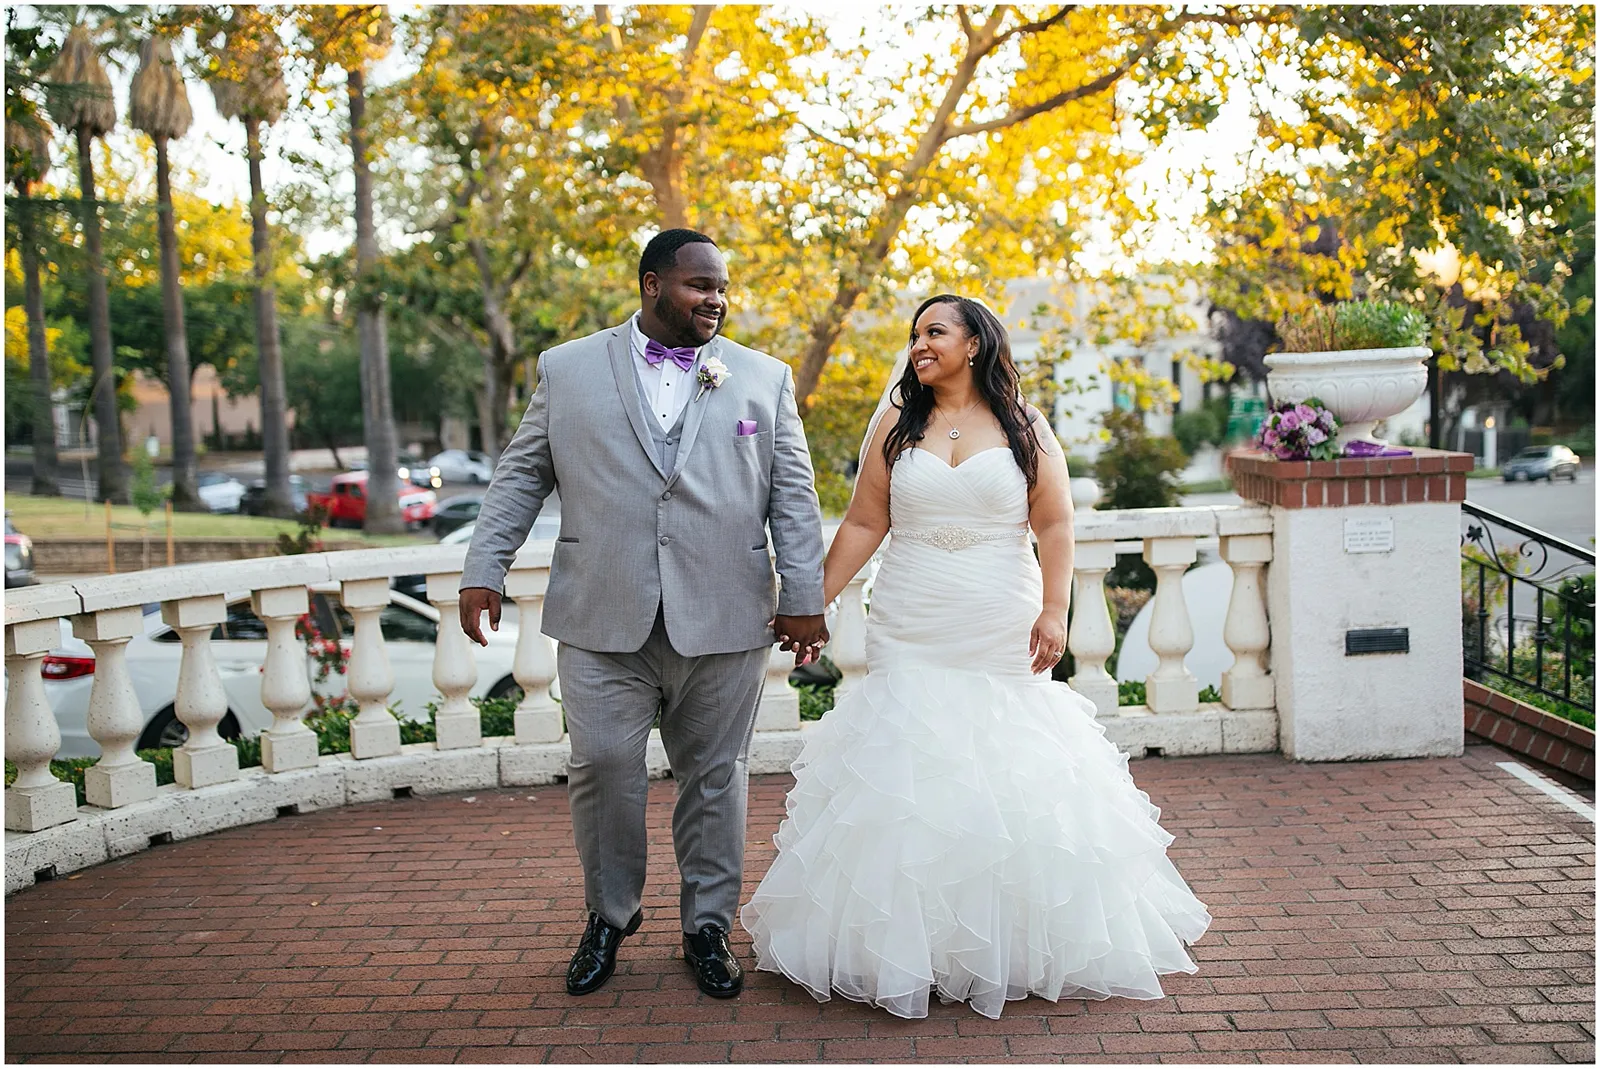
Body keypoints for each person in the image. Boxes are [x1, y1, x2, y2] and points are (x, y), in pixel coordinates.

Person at [739, 294, 1211, 1020]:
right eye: (915, 334)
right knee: (907, 765)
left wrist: (1056, 609)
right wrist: (815, 601)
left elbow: (1054, 521)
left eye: (935, 332)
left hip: (999, 614)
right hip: (912, 612)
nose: (919, 344)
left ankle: (1009, 942)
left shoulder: (1024, 425)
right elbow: (867, 519)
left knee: (1005, 761)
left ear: (974, 344)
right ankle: (909, 945)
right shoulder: (898, 424)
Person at [459, 229, 828, 1001]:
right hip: (602, 614)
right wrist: (483, 567)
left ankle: (706, 925)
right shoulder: (566, 369)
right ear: (652, 284)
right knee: (600, 766)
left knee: (716, 777)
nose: (716, 300)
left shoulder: (763, 378)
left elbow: (793, 495)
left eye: (722, 287)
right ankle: (609, 913)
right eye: (699, 285)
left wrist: (802, 595)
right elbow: (523, 473)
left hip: (726, 615)